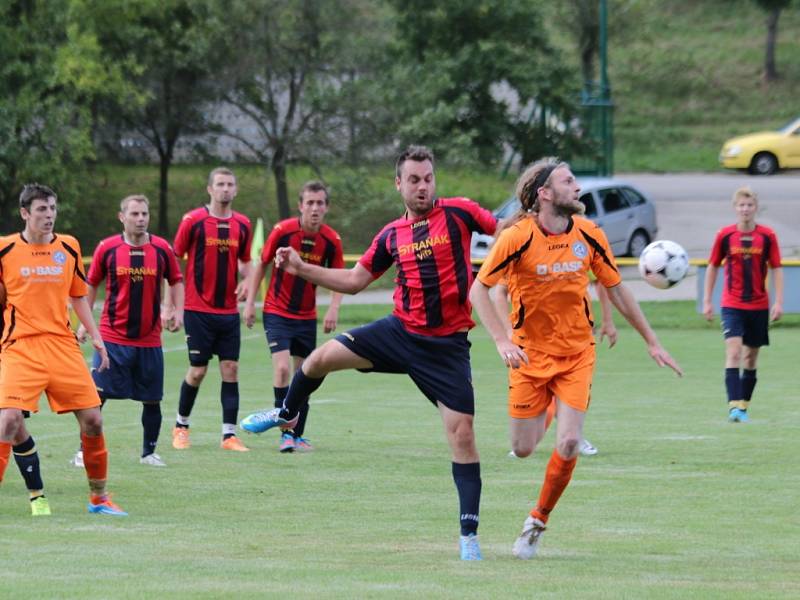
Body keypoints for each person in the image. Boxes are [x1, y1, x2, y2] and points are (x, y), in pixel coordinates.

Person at [240, 146, 497, 560]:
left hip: (446, 348)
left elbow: (504, 230)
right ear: (398, 184)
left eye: (428, 178)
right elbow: (355, 280)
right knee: (318, 360)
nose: (422, 186)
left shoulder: (460, 213)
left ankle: (468, 534)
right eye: (413, 180)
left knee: (463, 437)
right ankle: (287, 413)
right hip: (398, 333)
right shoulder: (391, 234)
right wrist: (301, 269)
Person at [469, 158, 681, 559]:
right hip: (529, 358)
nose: (577, 187)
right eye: (568, 181)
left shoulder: (590, 233)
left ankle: (537, 521)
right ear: (545, 194)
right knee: (525, 447)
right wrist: (501, 341)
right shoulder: (517, 237)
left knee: (568, 441)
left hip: (577, 354)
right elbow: (480, 290)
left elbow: (617, 289)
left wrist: (652, 341)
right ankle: (548, 407)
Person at [0, 183, 127, 516]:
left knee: (94, 420)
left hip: (62, 345)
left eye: (53, 208)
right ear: (25, 213)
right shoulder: (4, 249)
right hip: (20, 347)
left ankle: (99, 498)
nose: (49, 215)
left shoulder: (69, 247)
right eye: (42, 209)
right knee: (8, 421)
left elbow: (78, 296)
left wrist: (96, 335)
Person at [73, 195, 184, 467]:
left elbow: (176, 280)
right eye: (134, 214)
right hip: (112, 339)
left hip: (149, 340)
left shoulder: (161, 249)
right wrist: (84, 325)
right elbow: (90, 285)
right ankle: (82, 450)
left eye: (144, 213)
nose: (141, 219)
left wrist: (176, 311)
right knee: (96, 398)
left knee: (152, 400)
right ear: (122, 217)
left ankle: (149, 453)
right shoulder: (107, 248)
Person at [243, 181, 344, 453]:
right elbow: (261, 263)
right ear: (300, 205)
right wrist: (250, 303)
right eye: (309, 203)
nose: (314, 208)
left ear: (326, 207)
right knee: (283, 369)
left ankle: (297, 436)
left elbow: (338, 277)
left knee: (305, 375)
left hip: (306, 316)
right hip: (277, 311)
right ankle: (284, 434)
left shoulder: (331, 240)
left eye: (320, 203)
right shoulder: (282, 231)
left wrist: (333, 308)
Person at [170, 167, 253, 452]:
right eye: (220, 184)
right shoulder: (193, 220)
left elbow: (245, 261)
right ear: (210, 189)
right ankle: (181, 426)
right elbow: (173, 260)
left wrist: (248, 282)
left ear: (236, 189)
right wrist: (171, 305)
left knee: (231, 369)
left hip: (228, 312)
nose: (225, 189)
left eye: (230, 184)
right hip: (197, 309)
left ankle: (229, 435)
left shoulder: (242, 224)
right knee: (198, 371)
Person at [492, 279, 616, 457]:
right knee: (523, 447)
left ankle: (574, 435)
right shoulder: (518, 253)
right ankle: (548, 433)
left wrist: (607, 319)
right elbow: (499, 290)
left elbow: (602, 282)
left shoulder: (579, 253)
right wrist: (508, 332)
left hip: (573, 343)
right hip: (532, 344)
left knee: (570, 407)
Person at [702, 186, 782, 423]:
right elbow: (713, 266)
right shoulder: (725, 235)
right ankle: (733, 407)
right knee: (734, 352)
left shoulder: (767, 236)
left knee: (750, 358)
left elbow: (777, 268)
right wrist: (707, 300)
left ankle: (743, 406)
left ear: (755, 208)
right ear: (735, 208)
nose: (745, 209)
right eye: (741, 205)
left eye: (749, 205)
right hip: (732, 304)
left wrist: (778, 302)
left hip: (759, 305)